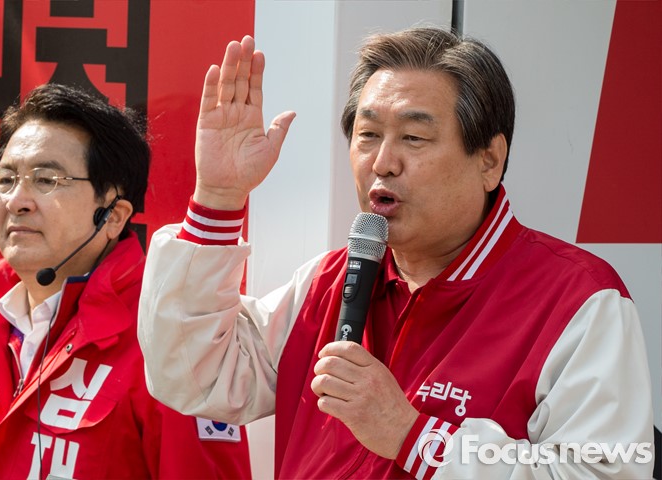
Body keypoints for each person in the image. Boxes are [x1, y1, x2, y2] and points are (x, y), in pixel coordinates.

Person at [137, 28, 654, 479]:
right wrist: (218, 197)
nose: (383, 162)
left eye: (413, 137)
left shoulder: (577, 300)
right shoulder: (328, 280)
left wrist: (414, 436)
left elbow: (602, 472)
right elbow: (194, 376)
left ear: (489, 161)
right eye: (368, 135)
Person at [0, 83, 251, 479]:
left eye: (46, 179)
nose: (17, 200)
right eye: (7, 179)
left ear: (112, 216)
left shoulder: (167, 342)